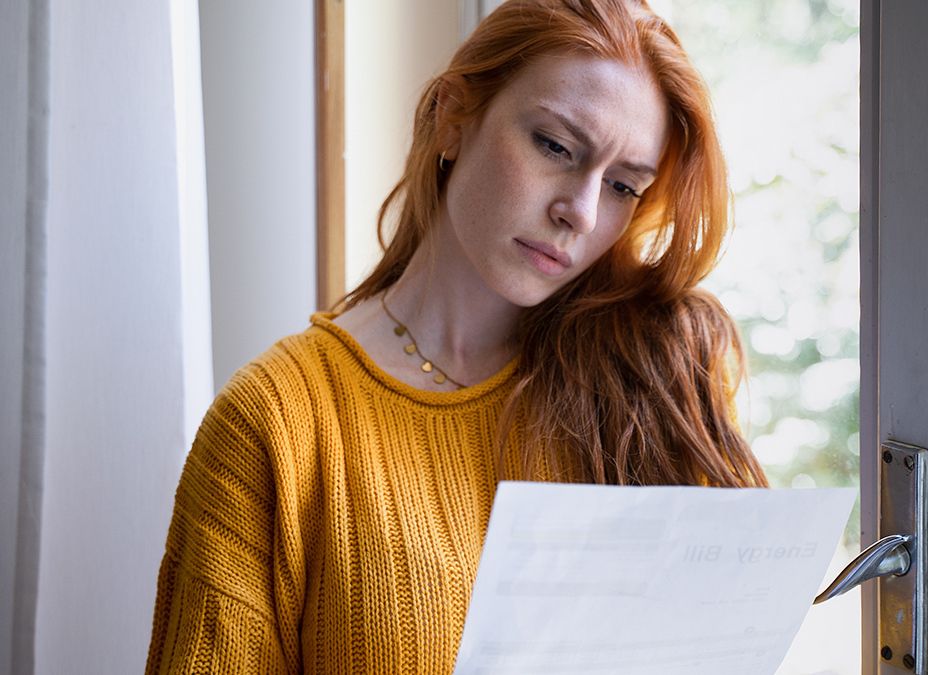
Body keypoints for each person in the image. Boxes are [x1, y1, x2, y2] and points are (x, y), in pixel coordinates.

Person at [145, 0, 766, 671]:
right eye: (556, 145)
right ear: (453, 118)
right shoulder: (277, 423)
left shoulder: (647, 382)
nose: (580, 212)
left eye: (622, 185)